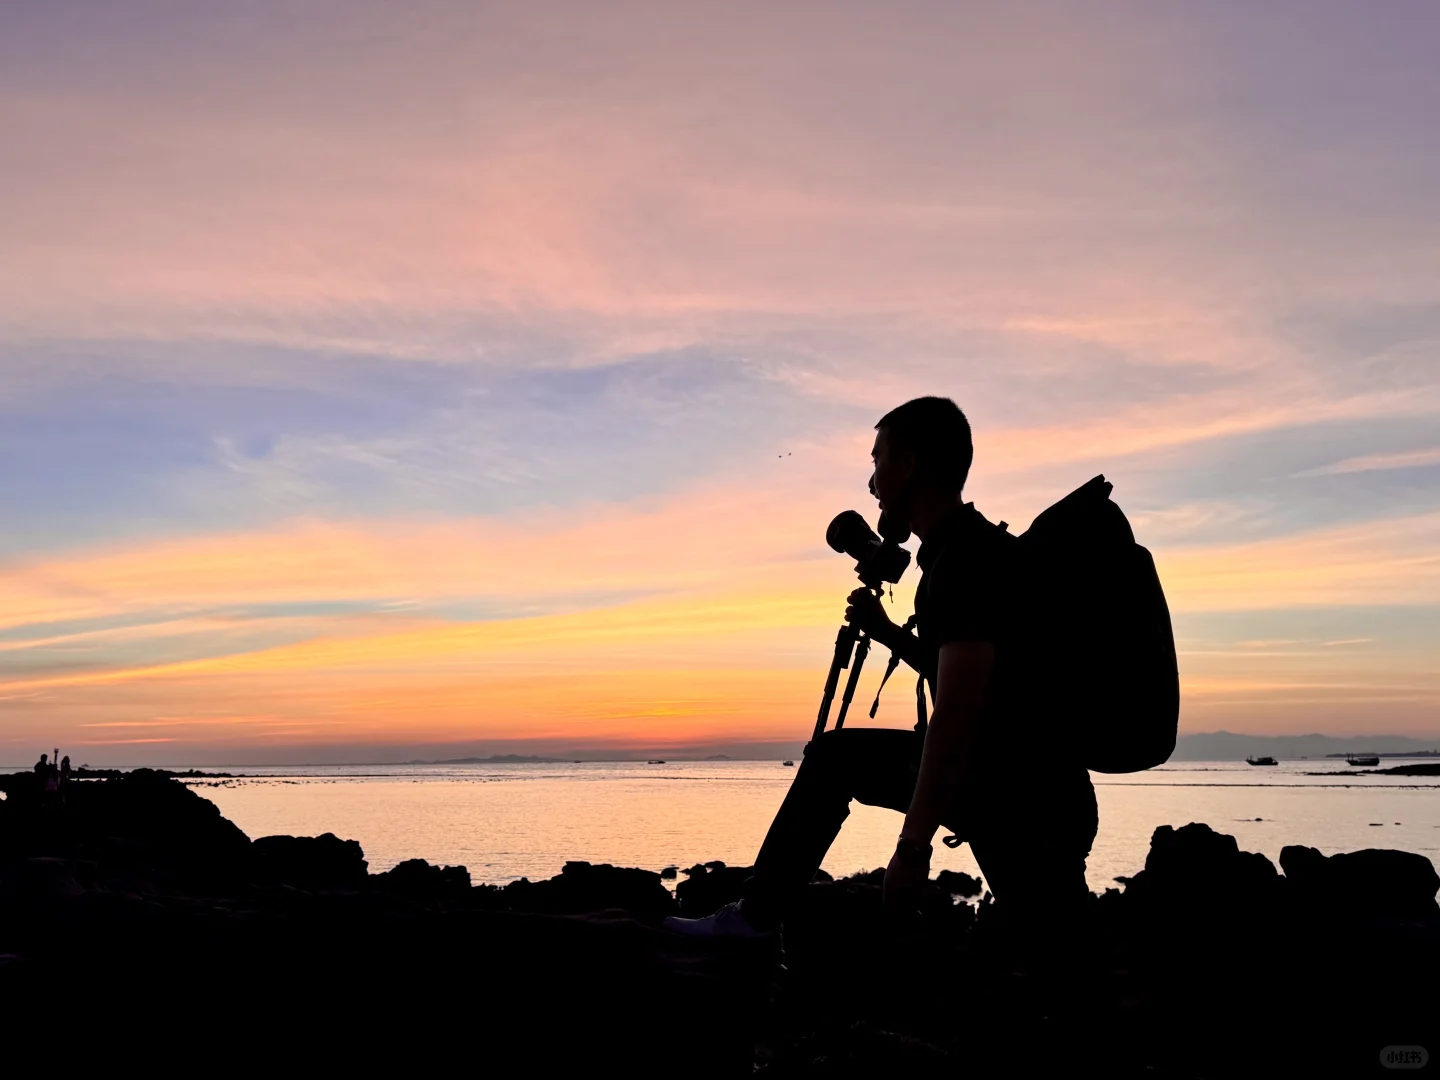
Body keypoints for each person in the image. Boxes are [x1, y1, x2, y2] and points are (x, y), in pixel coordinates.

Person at [664, 397, 1097, 959]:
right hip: (1039, 792)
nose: (871, 483)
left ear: (909, 465)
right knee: (1057, 955)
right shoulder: (974, 550)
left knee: (833, 759)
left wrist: (912, 850)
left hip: (1014, 793)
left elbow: (959, 715)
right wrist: (889, 633)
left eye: (877, 461)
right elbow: (972, 678)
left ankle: (753, 921)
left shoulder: (963, 561)